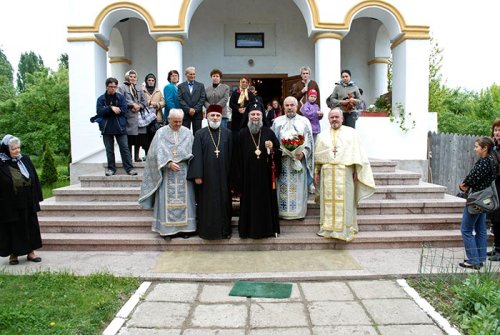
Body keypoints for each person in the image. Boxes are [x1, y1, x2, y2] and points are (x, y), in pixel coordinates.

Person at [314, 108, 375, 241]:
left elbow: (357, 154)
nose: (334, 119)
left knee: (346, 201)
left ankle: (345, 229)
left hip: (345, 173)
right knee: (328, 202)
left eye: (337, 117)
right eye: (332, 117)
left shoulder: (351, 134)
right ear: (328, 119)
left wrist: (357, 171)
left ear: (342, 118)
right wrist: (316, 172)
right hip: (327, 175)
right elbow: (317, 157)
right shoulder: (322, 135)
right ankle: (327, 228)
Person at [138, 109, 196, 239]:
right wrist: (168, 163)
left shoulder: (187, 132)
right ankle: (167, 230)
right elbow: (153, 153)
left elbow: (193, 151)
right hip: (166, 171)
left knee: (186, 199)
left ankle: (185, 229)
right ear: (169, 119)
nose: (178, 124)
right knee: (166, 201)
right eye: (175, 121)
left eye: (180, 122)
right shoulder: (161, 133)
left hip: (183, 171)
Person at [232, 102, 282, 238]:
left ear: (262, 116)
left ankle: (267, 230)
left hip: (265, 178)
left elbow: (278, 152)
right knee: (249, 205)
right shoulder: (241, 134)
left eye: (258, 114)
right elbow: (236, 159)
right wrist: (238, 181)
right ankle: (248, 231)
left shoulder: (269, 132)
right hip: (247, 179)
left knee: (265, 204)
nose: (255, 117)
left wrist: (272, 149)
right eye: (253, 114)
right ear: (248, 116)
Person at [187, 104, 232, 240]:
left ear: (221, 117)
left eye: (218, 115)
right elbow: (197, 155)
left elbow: (231, 155)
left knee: (224, 203)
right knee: (207, 204)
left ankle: (225, 231)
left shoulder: (228, 133)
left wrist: (232, 176)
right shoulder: (200, 134)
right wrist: (197, 175)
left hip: (224, 176)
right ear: (206, 116)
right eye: (212, 115)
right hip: (206, 177)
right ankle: (207, 232)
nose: (215, 118)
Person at [0, 135, 43, 265]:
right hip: (10, 202)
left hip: (28, 201)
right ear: (6, 149)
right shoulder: (1, 163)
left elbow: (34, 177)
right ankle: (14, 254)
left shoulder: (25, 159)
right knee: (14, 228)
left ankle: (31, 252)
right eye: (14, 149)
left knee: (30, 226)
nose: (17, 151)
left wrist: (37, 197)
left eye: (18, 148)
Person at [271, 96, 314, 220]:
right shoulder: (277, 121)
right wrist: (279, 152)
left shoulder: (304, 121)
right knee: (282, 186)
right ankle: (282, 211)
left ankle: (298, 212)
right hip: (283, 160)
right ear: (283, 107)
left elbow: (310, 142)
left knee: (298, 187)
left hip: (298, 160)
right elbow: (273, 140)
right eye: (287, 105)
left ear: (297, 106)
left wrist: (303, 153)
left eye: (292, 105)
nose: (289, 108)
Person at [458, 137, 497, 269]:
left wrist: (462, 186)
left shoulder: (483, 162)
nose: (475, 149)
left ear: (484, 148)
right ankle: (480, 258)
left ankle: (473, 260)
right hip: (485, 199)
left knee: (466, 229)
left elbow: (470, 178)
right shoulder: (493, 160)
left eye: (477, 147)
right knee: (480, 229)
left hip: (476, 199)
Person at [96, 77, 137, 176]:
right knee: (109, 150)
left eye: (115, 86)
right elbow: (99, 112)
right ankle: (111, 169)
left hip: (120, 127)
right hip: (106, 128)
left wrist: (110, 110)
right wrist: (111, 108)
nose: (113, 88)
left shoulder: (120, 97)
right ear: (106, 87)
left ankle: (129, 169)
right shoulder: (101, 99)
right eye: (111, 86)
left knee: (124, 148)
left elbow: (123, 110)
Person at [118, 69, 150, 161]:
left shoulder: (140, 88)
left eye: (134, 77)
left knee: (139, 138)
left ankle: (137, 156)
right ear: (127, 77)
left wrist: (139, 106)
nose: (132, 78)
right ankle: (129, 157)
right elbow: (121, 99)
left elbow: (145, 101)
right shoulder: (122, 87)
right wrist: (131, 104)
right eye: (131, 76)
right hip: (129, 116)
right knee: (129, 138)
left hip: (139, 117)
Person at [177, 66, 206, 134]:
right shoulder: (181, 86)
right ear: (186, 75)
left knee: (198, 134)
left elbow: (202, 98)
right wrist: (188, 109)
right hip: (186, 113)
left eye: (194, 74)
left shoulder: (201, 85)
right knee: (184, 133)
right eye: (190, 74)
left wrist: (195, 109)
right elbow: (180, 99)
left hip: (197, 114)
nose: (192, 76)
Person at [488, 119, 500, 261]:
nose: (497, 133)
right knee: (495, 219)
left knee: (499, 218)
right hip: (495, 186)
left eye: (499, 130)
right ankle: (496, 247)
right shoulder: (494, 148)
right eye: (496, 130)